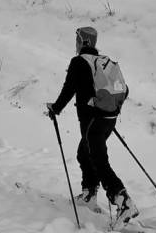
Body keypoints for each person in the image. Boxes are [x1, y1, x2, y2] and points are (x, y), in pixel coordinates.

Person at [45, 26, 138, 224]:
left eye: (78, 40)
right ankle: (89, 193)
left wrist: (55, 108)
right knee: (84, 153)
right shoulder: (103, 62)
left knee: (98, 161)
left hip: (93, 121)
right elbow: (124, 90)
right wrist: (109, 110)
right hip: (107, 120)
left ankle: (124, 201)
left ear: (84, 42)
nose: (76, 44)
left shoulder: (79, 62)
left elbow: (68, 89)